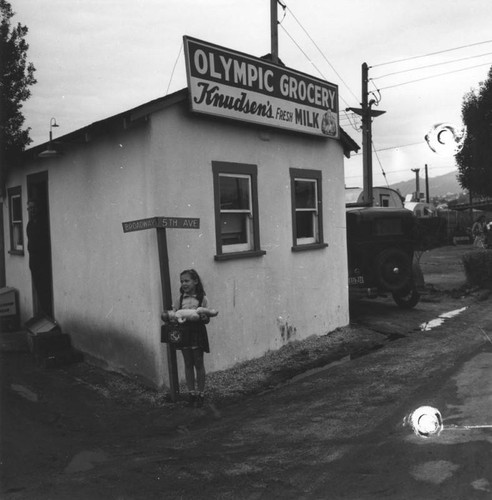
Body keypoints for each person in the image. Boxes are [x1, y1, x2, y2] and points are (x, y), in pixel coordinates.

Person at [162, 269, 212, 408]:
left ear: (195, 281)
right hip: (184, 333)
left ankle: (201, 393)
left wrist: (204, 317)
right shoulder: (180, 299)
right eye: (182, 281)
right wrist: (172, 318)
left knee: (198, 362)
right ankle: (192, 393)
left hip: (197, 332)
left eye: (187, 280)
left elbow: (207, 319)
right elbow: (174, 315)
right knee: (188, 363)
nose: (184, 283)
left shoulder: (202, 298)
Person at [26, 198, 52, 317]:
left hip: (43, 262)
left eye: (33, 208)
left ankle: (48, 313)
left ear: (38, 208)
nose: (32, 210)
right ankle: (43, 313)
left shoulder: (43, 223)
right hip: (34, 262)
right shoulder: (30, 225)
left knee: (45, 288)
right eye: (29, 208)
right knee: (38, 289)